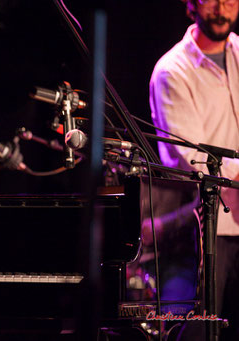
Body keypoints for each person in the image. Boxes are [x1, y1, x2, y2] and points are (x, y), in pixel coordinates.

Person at [150, 0, 239, 339]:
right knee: (202, 333)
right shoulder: (172, 70)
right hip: (206, 231)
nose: (221, 7)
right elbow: (187, 157)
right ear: (192, 3)